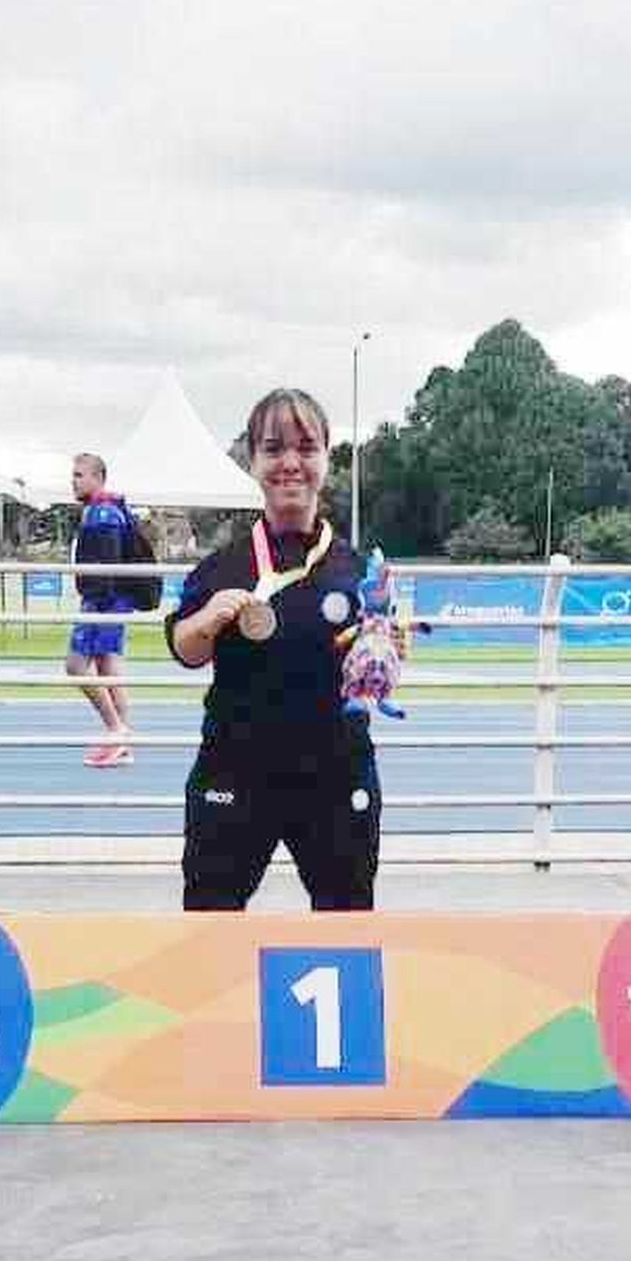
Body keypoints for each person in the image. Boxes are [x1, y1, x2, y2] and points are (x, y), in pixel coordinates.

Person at [165, 388, 381, 910]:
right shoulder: (221, 568)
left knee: (346, 924)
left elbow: (377, 673)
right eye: (273, 448)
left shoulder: (358, 571)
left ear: (327, 458)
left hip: (335, 776)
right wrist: (210, 617)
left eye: (306, 448)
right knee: (209, 927)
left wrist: (386, 655)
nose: (290, 463)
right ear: (253, 460)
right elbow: (185, 649)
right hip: (234, 773)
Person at [66, 452, 134, 767]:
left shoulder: (103, 514)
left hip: (103, 602)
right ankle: (122, 742)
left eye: (80, 475)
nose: (74, 480)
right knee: (107, 667)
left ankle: (115, 729)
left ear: (98, 477)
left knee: (76, 666)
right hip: (109, 600)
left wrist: (96, 600)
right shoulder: (101, 510)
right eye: (74, 474)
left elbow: (108, 564)